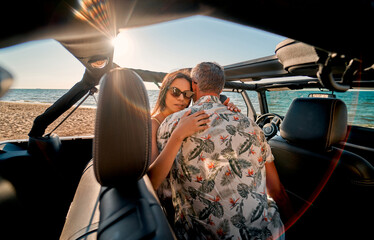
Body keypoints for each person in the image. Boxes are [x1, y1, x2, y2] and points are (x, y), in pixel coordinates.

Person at [148, 62, 292, 239]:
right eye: (176, 92)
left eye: (186, 94)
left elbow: (163, 191)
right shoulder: (252, 127)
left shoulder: (169, 125)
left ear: (194, 86)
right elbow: (277, 192)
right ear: (221, 87)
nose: (182, 99)